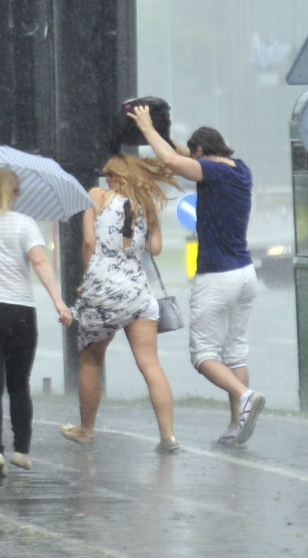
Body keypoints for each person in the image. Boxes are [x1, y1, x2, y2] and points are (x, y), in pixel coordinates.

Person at [128, 105, 264, 447]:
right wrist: (165, 135)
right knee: (236, 353)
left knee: (203, 356)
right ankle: (236, 426)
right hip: (246, 274)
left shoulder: (212, 173)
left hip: (216, 276)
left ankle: (244, 395)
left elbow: (176, 163)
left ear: (203, 154)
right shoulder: (241, 169)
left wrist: (146, 128)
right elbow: (183, 154)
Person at [61, 154, 182, 453]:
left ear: (115, 177)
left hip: (104, 290)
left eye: (108, 175)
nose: (105, 180)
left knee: (90, 360)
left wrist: (90, 279)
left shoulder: (96, 196)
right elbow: (155, 248)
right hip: (138, 292)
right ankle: (168, 435)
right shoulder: (146, 203)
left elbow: (89, 243)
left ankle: (85, 429)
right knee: (150, 364)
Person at [0, 167, 72, 477]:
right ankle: (21, 450)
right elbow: (39, 261)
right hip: (19, 312)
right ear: (15, 193)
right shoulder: (24, 224)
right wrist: (59, 301)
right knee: (19, 385)